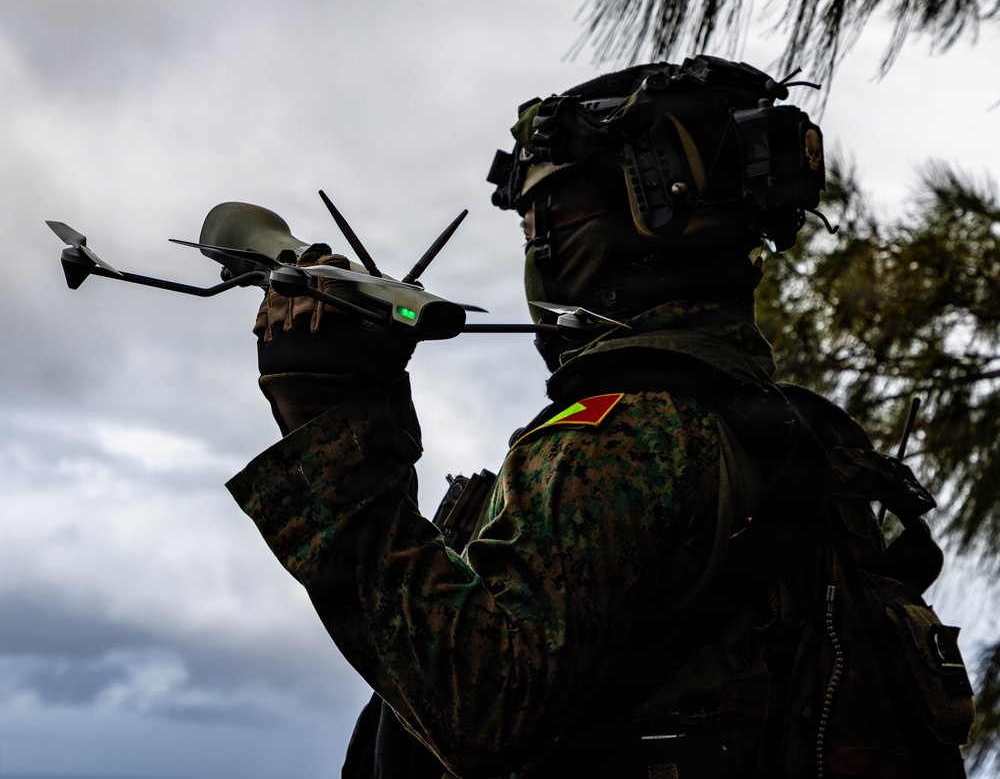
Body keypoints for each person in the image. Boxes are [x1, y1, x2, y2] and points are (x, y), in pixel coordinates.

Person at [227, 55, 974, 778]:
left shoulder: (631, 432)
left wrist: (332, 430)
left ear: (650, 205)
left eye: (539, 223)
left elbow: (482, 704)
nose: (533, 250)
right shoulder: (800, 439)